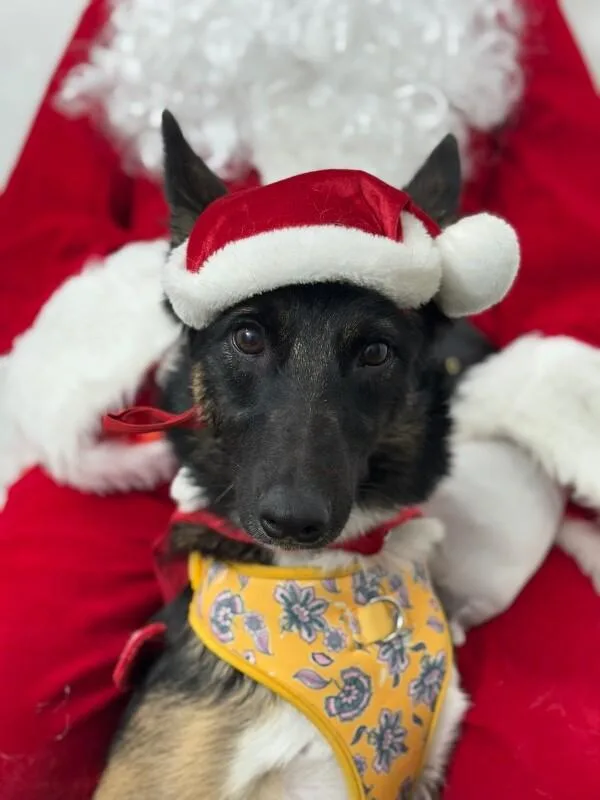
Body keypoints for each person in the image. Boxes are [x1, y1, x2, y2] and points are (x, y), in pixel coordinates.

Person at [1, 0, 600, 798]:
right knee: (17, 693)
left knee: (558, 759)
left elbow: (582, 258)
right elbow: (36, 240)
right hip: (152, 435)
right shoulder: (130, 14)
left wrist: (506, 436)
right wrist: (159, 345)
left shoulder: (513, 15)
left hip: (429, 443)